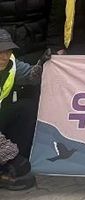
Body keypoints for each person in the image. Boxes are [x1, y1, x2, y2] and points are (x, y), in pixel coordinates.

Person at [0, 29, 46, 190]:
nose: (4, 56)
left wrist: (43, 64)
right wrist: (11, 156)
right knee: (17, 163)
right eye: (0, 52)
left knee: (26, 107)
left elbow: (31, 76)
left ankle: (10, 164)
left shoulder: (11, 64)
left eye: (7, 51)